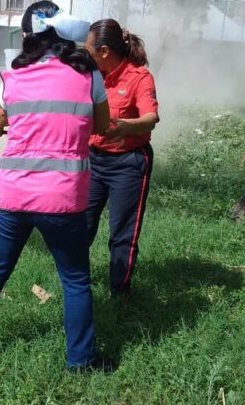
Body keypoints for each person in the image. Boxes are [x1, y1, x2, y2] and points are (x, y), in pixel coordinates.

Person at [0, 0, 111, 370]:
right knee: (75, 281)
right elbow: (103, 128)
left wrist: (0, 126)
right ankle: (81, 361)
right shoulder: (89, 76)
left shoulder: (12, 77)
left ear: (30, 38)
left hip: (11, 197)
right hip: (62, 200)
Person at [83, 19, 160, 298]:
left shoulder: (139, 77)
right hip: (93, 160)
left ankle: (120, 294)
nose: (84, 52)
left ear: (104, 51)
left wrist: (129, 126)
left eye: (88, 48)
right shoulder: (91, 76)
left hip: (129, 163)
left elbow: (151, 118)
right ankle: (76, 283)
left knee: (122, 233)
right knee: (82, 224)